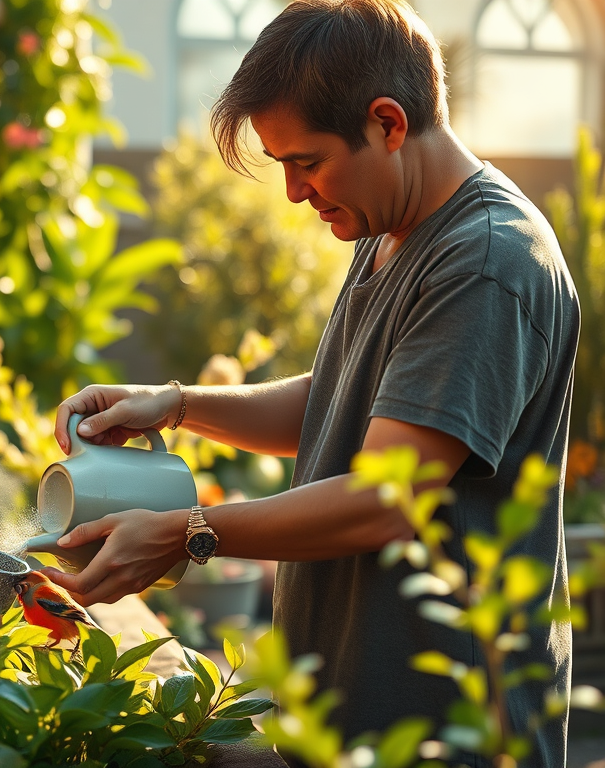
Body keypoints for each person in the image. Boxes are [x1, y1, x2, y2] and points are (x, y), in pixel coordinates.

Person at [42, 1, 579, 766]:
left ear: (388, 124)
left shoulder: (488, 263)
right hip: (348, 720)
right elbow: (342, 401)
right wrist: (180, 404)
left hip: (447, 733)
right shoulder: (389, 223)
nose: (294, 192)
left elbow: (386, 497)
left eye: (306, 161)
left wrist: (189, 531)